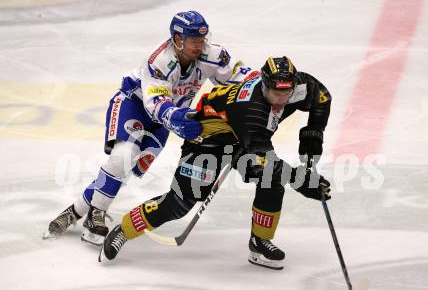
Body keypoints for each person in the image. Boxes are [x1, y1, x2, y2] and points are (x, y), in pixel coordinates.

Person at [43, 10, 256, 245]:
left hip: (165, 118)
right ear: (177, 39)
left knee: (127, 168)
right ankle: (96, 216)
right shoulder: (160, 60)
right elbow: (155, 102)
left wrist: (262, 87)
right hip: (133, 104)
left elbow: (238, 78)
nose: (200, 45)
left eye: (202, 39)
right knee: (122, 158)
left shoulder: (213, 54)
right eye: (194, 40)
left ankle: (75, 210)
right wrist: (176, 117)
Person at [99, 56, 332, 269]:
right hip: (207, 140)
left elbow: (322, 98)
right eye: (275, 93)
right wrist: (303, 181)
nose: (281, 100)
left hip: (244, 137)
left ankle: (260, 241)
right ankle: (125, 229)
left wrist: (313, 134)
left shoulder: (300, 86)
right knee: (178, 205)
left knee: (270, 181)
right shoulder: (251, 108)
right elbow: (265, 160)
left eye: (286, 93)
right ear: (264, 85)